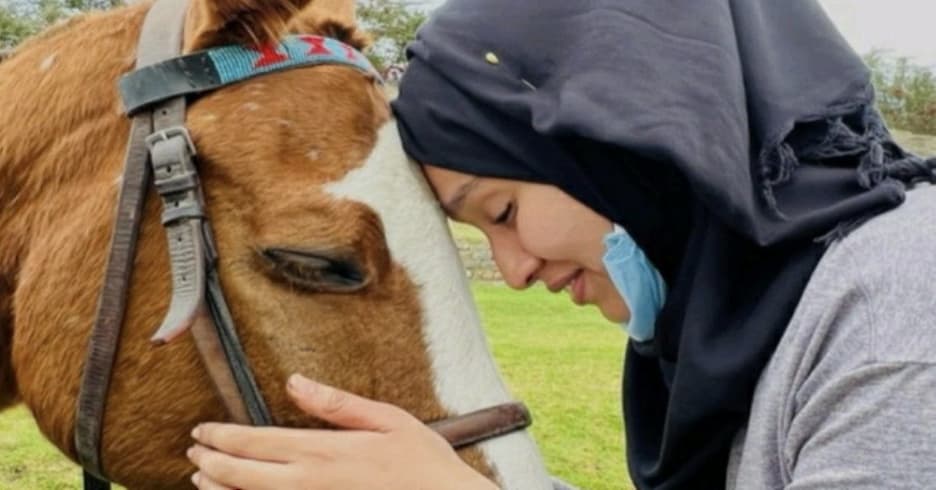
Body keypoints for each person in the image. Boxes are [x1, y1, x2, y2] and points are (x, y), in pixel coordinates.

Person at [186, 0, 936, 488]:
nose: (510, 273)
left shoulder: (899, 302)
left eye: (503, 210)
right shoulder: (738, 313)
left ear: (624, 147)